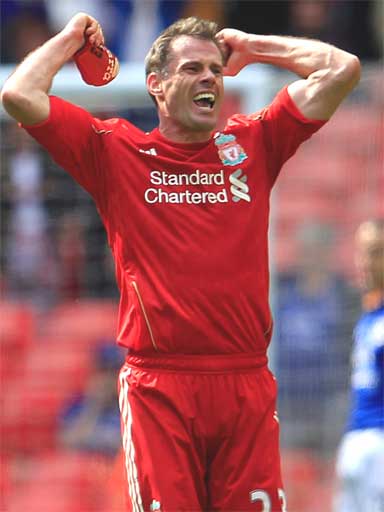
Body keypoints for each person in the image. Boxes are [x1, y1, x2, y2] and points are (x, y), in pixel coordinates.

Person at [1, 12, 360, 511]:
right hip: (160, 387)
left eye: (214, 69)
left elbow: (341, 69)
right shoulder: (116, 151)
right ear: (157, 85)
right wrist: (68, 40)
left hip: (245, 385)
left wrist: (254, 46)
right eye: (192, 69)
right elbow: (19, 95)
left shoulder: (254, 142)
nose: (208, 77)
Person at [334, 219, 384, 512]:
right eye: (362, 252)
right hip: (357, 435)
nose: (366, 262)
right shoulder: (368, 316)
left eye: (376, 252)